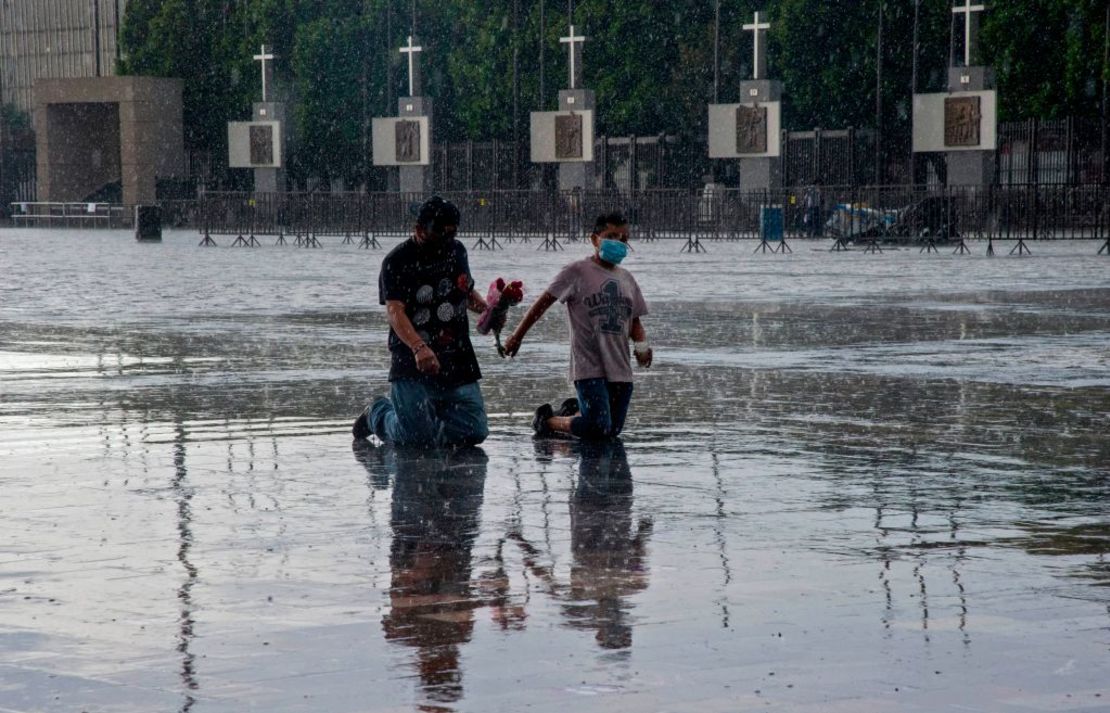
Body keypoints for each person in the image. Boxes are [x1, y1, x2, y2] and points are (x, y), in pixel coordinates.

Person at [353, 196, 490, 447]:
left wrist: (487, 309)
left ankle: (430, 423)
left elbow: (465, 292)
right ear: (418, 229)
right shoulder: (397, 261)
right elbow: (395, 311)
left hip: (456, 354)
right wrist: (418, 346)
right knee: (415, 440)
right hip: (412, 358)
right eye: (439, 234)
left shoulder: (457, 251)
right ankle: (379, 414)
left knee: (475, 431)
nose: (446, 241)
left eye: (452, 233)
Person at [503, 211, 651, 439]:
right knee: (598, 427)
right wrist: (517, 336)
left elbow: (635, 320)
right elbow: (544, 302)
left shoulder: (627, 279)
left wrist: (642, 347)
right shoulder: (577, 272)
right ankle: (549, 420)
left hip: (620, 367)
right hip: (588, 364)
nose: (619, 243)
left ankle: (573, 413)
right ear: (595, 239)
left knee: (612, 430)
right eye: (611, 236)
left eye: (624, 239)